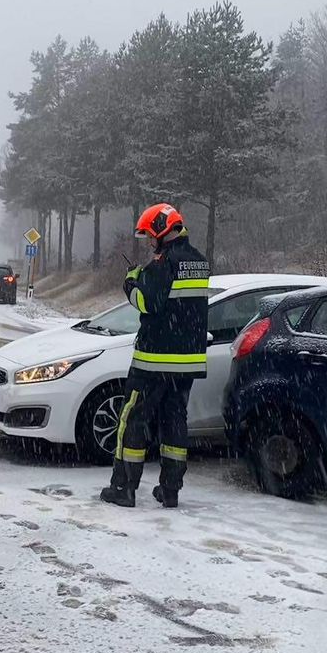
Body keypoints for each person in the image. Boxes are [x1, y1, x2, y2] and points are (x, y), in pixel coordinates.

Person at [100, 203, 210, 509]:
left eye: (150, 236)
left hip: (154, 361)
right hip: (187, 363)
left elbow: (148, 303)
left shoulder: (164, 263)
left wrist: (131, 283)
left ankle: (123, 487)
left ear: (162, 230)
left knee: (133, 421)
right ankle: (170, 490)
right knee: (175, 423)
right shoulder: (199, 261)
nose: (149, 242)